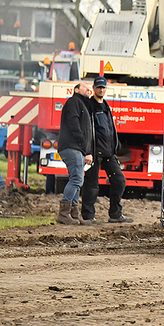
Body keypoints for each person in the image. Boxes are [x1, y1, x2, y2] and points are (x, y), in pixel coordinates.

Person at [81, 76, 132, 223]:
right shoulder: (89, 106)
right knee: (91, 185)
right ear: (94, 89)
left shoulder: (106, 106)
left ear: (106, 89)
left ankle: (116, 214)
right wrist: (88, 151)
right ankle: (88, 216)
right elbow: (87, 130)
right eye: (98, 87)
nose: (101, 90)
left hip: (109, 152)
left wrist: (116, 146)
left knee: (119, 180)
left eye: (103, 87)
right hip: (95, 153)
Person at [57, 82, 94, 225]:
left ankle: (73, 215)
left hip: (77, 147)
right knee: (77, 179)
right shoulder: (73, 102)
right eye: (84, 87)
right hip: (72, 146)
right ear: (76, 90)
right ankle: (64, 213)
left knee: (76, 179)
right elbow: (73, 124)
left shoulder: (83, 105)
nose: (88, 89)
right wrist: (82, 142)